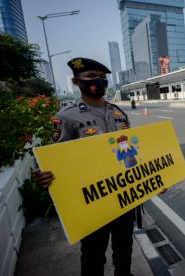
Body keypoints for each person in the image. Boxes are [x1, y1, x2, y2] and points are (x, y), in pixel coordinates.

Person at [33, 57, 135, 276]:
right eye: (90, 77)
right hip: (91, 199)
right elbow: (54, 158)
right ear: (76, 82)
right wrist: (45, 174)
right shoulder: (65, 117)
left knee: (124, 247)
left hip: (123, 194)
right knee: (93, 254)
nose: (97, 81)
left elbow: (132, 151)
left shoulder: (119, 113)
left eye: (101, 77)